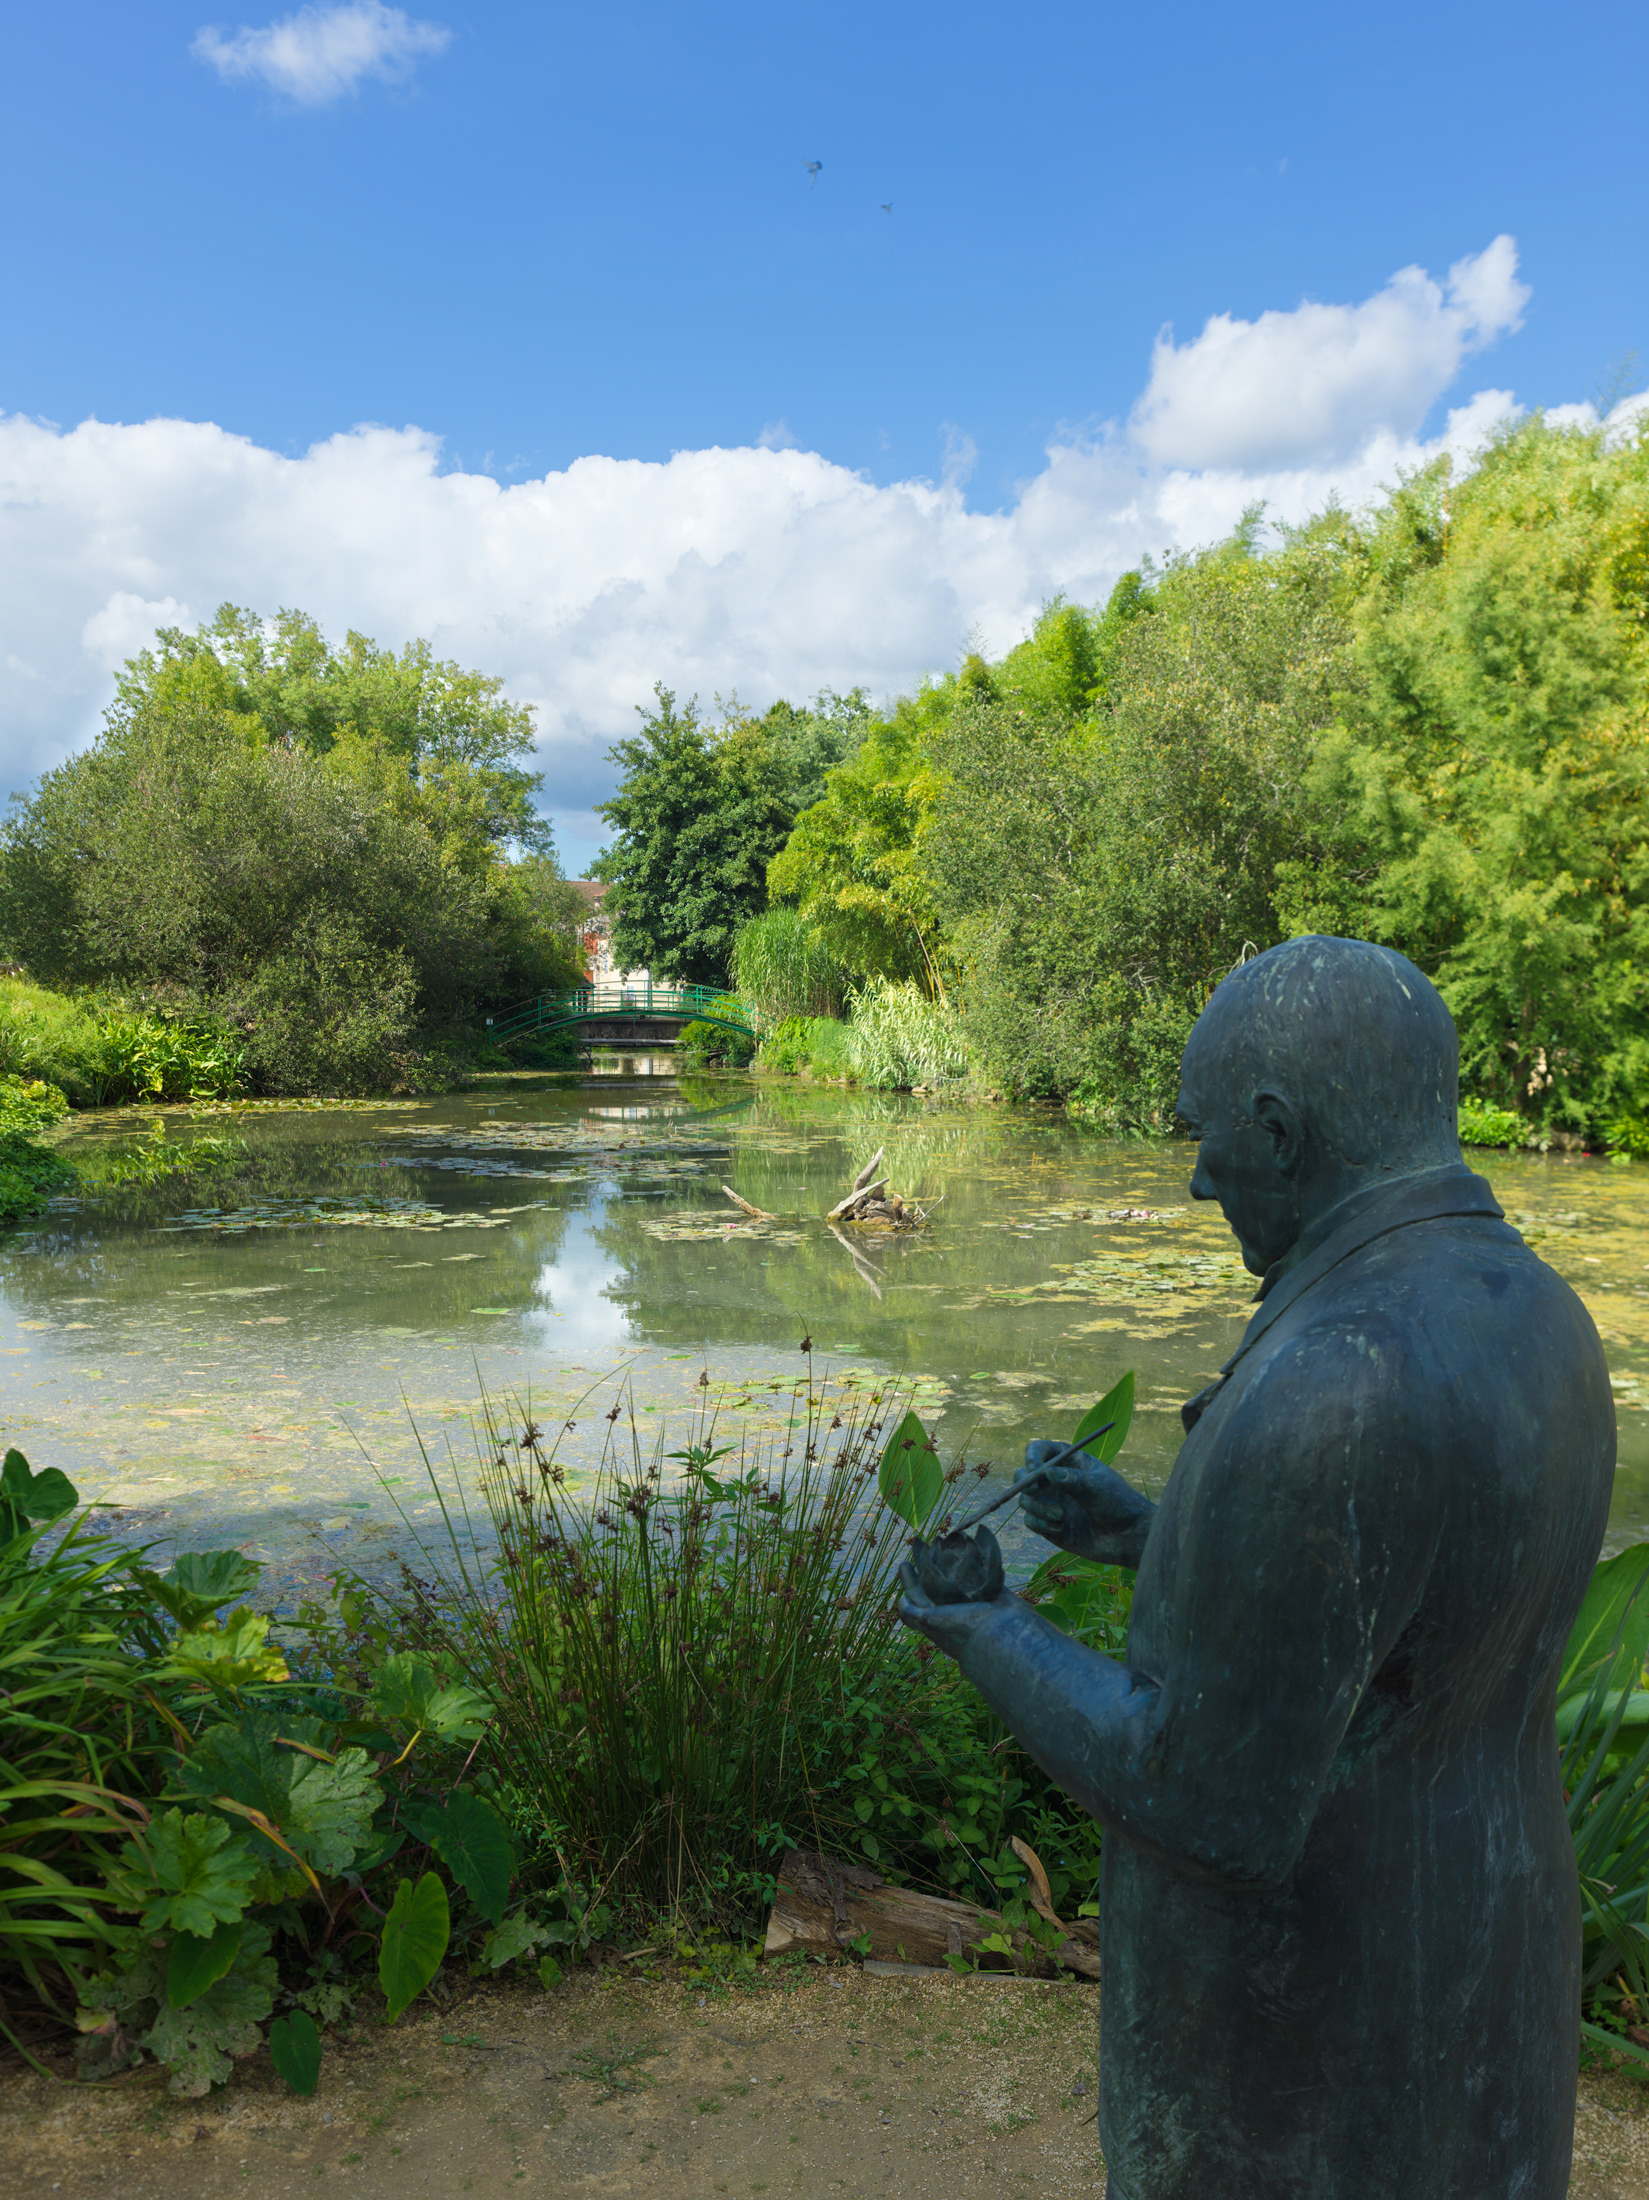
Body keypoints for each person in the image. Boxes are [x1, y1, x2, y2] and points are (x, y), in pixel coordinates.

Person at [898, 935, 1613, 2198]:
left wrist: (987, 1624)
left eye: (1204, 1134)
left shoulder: (1328, 1380)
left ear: (1278, 1133)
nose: (1190, 1179)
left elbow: (1209, 1806)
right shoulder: (1538, 1311)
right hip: (1482, 1958)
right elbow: (1394, 1613)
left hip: (1308, 2035)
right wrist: (1144, 1533)